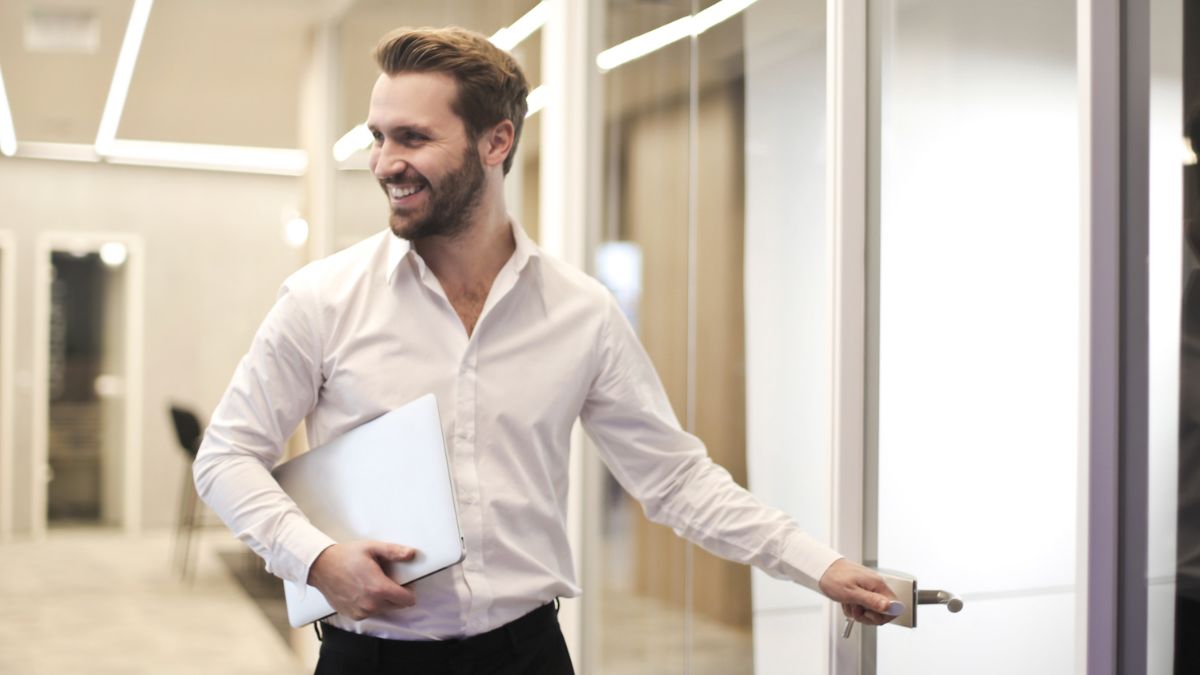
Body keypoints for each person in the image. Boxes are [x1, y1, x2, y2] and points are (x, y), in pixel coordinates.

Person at [193, 25, 896, 675]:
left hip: (527, 655)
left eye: (410, 137)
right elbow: (226, 457)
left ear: (495, 142)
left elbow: (675, 479)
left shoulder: (580, 311)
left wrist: (818, 565)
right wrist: (315, 559)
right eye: (377, 136)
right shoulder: (322, 299)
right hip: (372, 659)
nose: (384, 162)